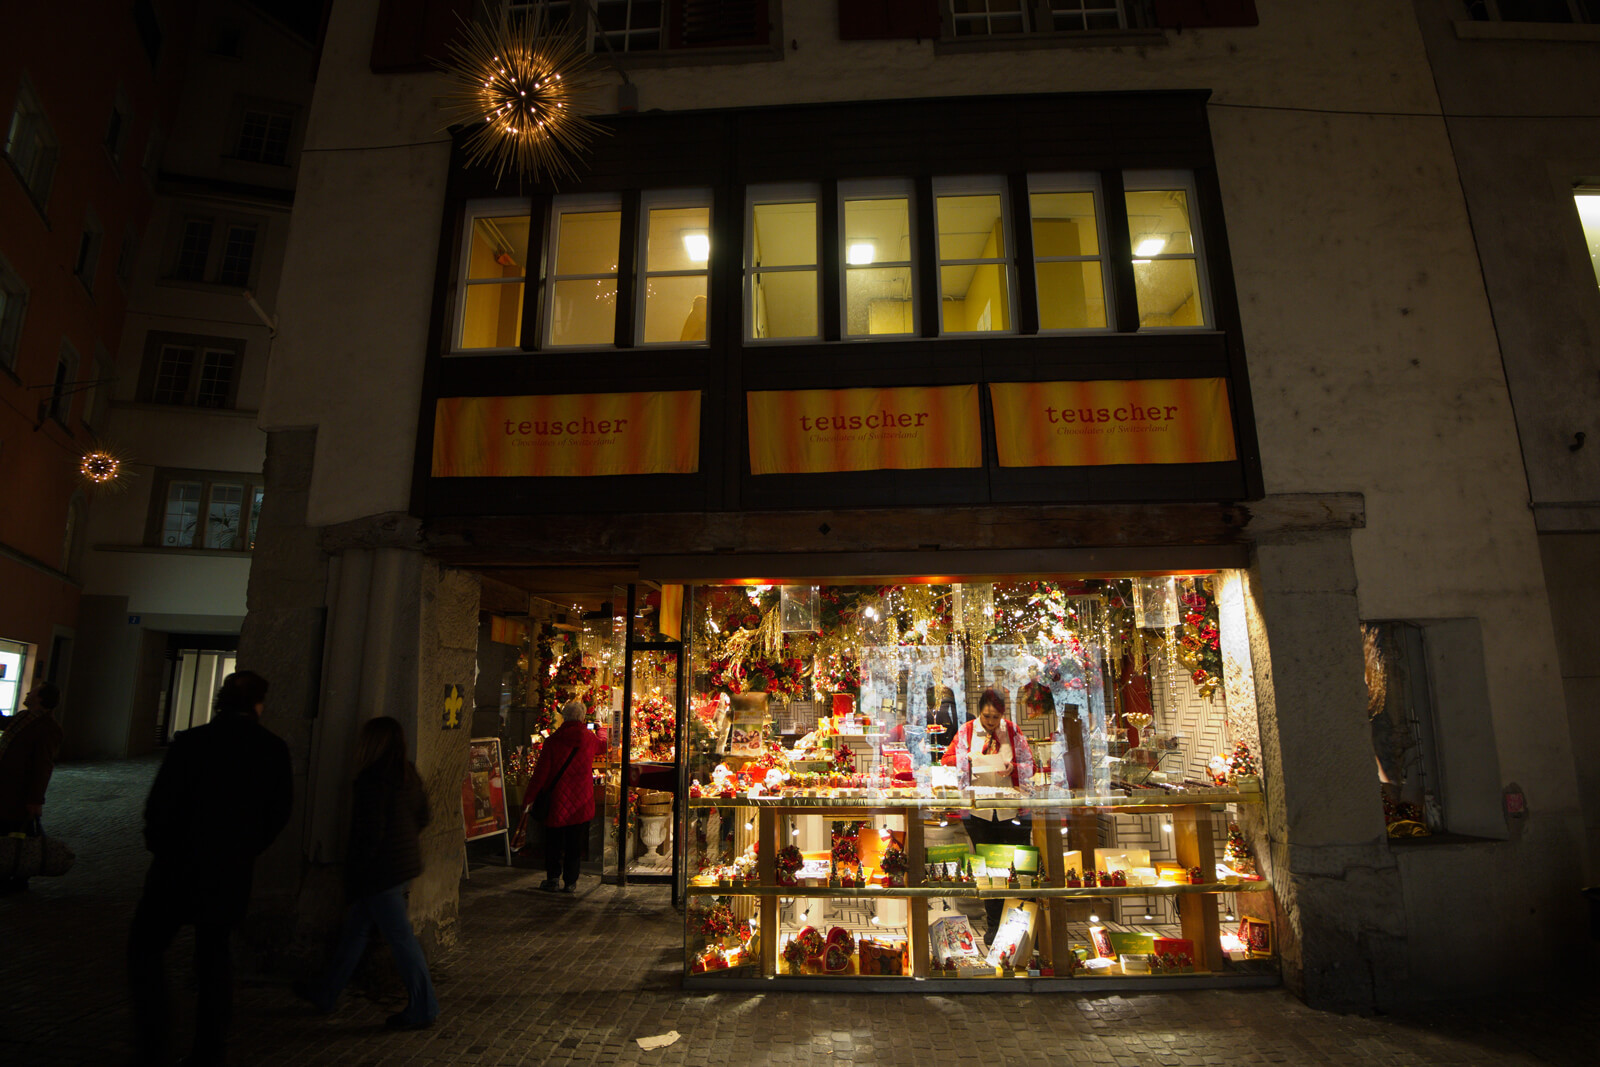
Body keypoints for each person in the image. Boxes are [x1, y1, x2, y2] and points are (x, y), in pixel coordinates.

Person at [128, 670, 293, 1067]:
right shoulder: (271, 748)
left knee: (145, 949)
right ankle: (209, 1049)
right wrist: (247, 849)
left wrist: (162, 846)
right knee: (215, 956)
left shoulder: (190, 742)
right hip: (228, 870)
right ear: (258, 704)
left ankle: (156, 1038)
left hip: (176, 866)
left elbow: (160, 804)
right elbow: (278, 812)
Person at [295, 716, 438, 1030]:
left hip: (381, 872)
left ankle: (424, 1005)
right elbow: (424, 815)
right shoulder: (407, 774)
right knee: (356, 931)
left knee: (399, 938)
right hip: (400, 867)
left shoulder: (372, 780)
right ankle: (326, 992)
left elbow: (368, 834)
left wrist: (356, 873)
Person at [941, 687, 1034, 945]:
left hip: (1013, 812)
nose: (991, 722)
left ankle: (1022, 931)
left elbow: (1030, 765)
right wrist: (967, 759)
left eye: (995, 717)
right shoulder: (968, 731)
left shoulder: (1012, 731)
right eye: (986, 716)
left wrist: (1013, 767)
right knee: (990, 872)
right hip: (979, 812)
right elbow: (946, 760)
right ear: (980, 711)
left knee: (1018, 871)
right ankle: (994, 930)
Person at [522, 698, 602, 892]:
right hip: (581, 800)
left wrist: (528, 799)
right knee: (574, 844)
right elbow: (604, 745)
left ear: (564, 717)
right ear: (583, 717)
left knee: (554, 842)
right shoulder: (589, 739)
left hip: (557, 800)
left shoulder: (553, 741)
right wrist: (601, 728)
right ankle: (571, 882)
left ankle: (552, 878)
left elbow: (541, 774)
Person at [0, 681, 64, 894]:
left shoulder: (47, 728)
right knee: (12, 832)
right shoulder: (23, 718)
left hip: (19, 793)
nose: (27, 694)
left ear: (40, 699)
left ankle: (17, 877)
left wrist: (36, 800)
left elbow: (43, 766)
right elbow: (4, 723)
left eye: (31, 693)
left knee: (19, 835)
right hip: (8, 789)